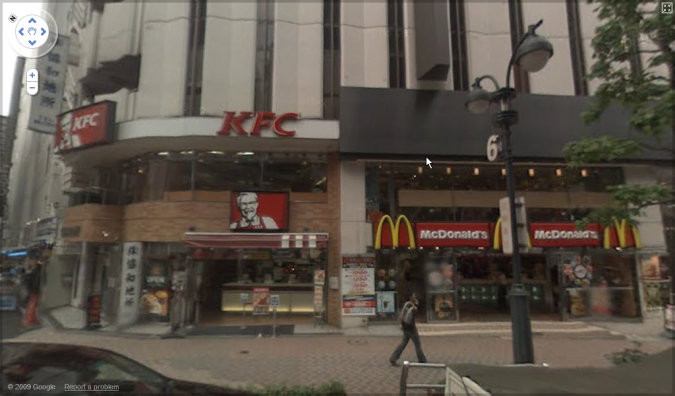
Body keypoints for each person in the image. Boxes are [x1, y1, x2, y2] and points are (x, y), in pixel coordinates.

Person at [389, 292, 427, 366]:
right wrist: (416, 305)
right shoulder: (412, 307)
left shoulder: (406, 304)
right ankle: (422, 360)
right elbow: (415, 314)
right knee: (417, 344)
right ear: (411, 297)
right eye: (413, 296)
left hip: (405, 328)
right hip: (411, 328)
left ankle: (393, 358)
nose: (415, 297)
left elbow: (403, 315)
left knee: (403, 343)